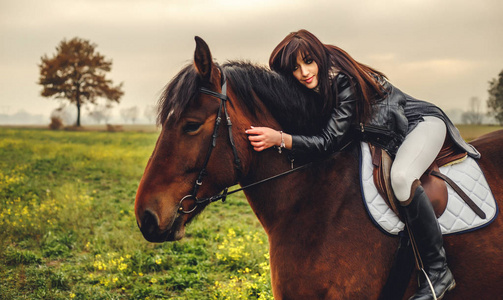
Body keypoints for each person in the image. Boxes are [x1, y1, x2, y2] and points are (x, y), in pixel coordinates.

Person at [245, 29, 480, 300]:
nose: (304, 72)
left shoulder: (341, 80)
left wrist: (281, 139)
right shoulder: (316, 86)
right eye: (295, 68)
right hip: (391, 135)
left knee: (402, 178)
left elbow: (329, 140)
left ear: (318, 58)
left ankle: (439, 272)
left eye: (308, 61)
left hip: (420, 124)